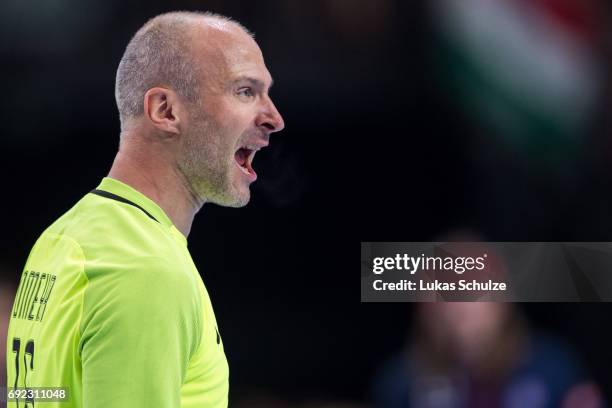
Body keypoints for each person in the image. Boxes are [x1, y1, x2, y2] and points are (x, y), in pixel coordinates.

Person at [5, 11, 284, 408]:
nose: (275, 118)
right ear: (165, 110)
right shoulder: (146, 269)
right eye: (244, 91)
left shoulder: (62, 237)